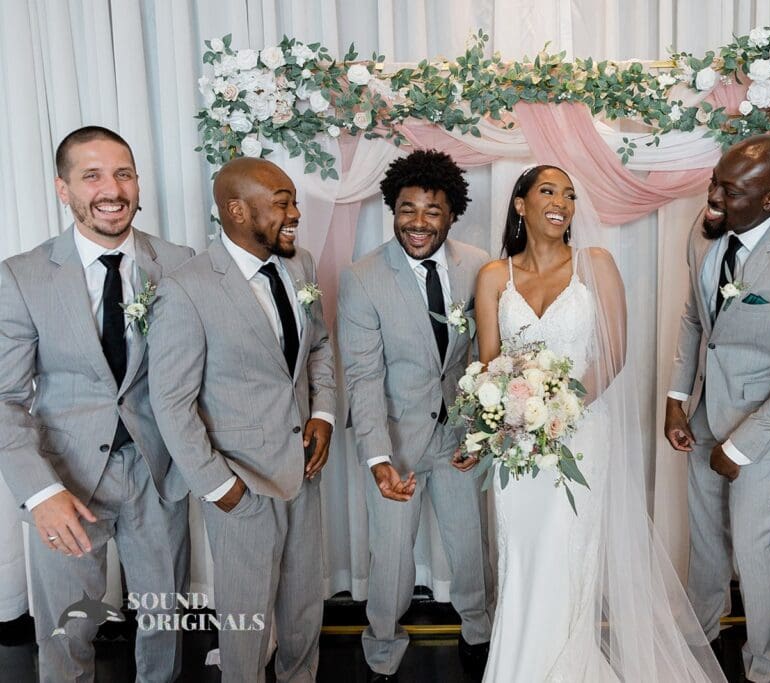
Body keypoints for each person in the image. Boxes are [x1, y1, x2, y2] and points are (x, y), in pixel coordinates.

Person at [474, 165, 725, 682]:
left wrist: (559, 414)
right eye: (547, 191)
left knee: (567, 550)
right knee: (521, 554)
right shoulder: (494, 277)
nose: (561, 201)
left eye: (569, 193)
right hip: (516, 443)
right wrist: (516, 417)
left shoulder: (597, 264)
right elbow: (489, 364)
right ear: (520, 204)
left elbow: (613, 355)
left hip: (581, 434)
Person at [0, 126, 192, 682]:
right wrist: (41, 493)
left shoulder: (178, 263)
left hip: (159, 472)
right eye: (92, 176)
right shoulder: (22, 275)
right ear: (64, 190)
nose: (112, 189)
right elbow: (6, 399)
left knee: (163, 617)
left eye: (124, 173)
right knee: (66, 628)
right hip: (65, 479)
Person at [148, 157, 335, 682]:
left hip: (304, 471)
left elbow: (317, 343)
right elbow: (171, 402)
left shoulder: (302, 265)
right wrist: (218, 487)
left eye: (294, 200)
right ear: (236, 210)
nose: (295, 213)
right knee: (245, 622)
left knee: (303, 607)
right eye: (282, 203)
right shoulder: (186, 289)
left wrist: (321, 413)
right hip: (241, 485)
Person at [664, 134, 770, 683]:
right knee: (704, 534)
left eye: (731, 190)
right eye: (716, 180)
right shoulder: (706, 230)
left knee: (753, 542)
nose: (713, 195)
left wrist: (739, 447)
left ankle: (763, 664)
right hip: (703, 413)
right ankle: (699, 638)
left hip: (765, 426)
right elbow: (696, 317)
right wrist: (676, 399)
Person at [337, 149, 492, 681]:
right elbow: (362, 376)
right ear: (392, 209)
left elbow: (485, 356)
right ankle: (381, 646)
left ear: (452, 213)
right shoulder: (361, 278)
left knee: (469, 545)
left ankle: (479, 632)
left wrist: (480, 433)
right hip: (396, 440)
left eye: (432, 210)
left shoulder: (478, 266)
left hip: (458, 438)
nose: (418, 223)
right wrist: (378, 457)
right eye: (407, 209)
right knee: (392, 559)